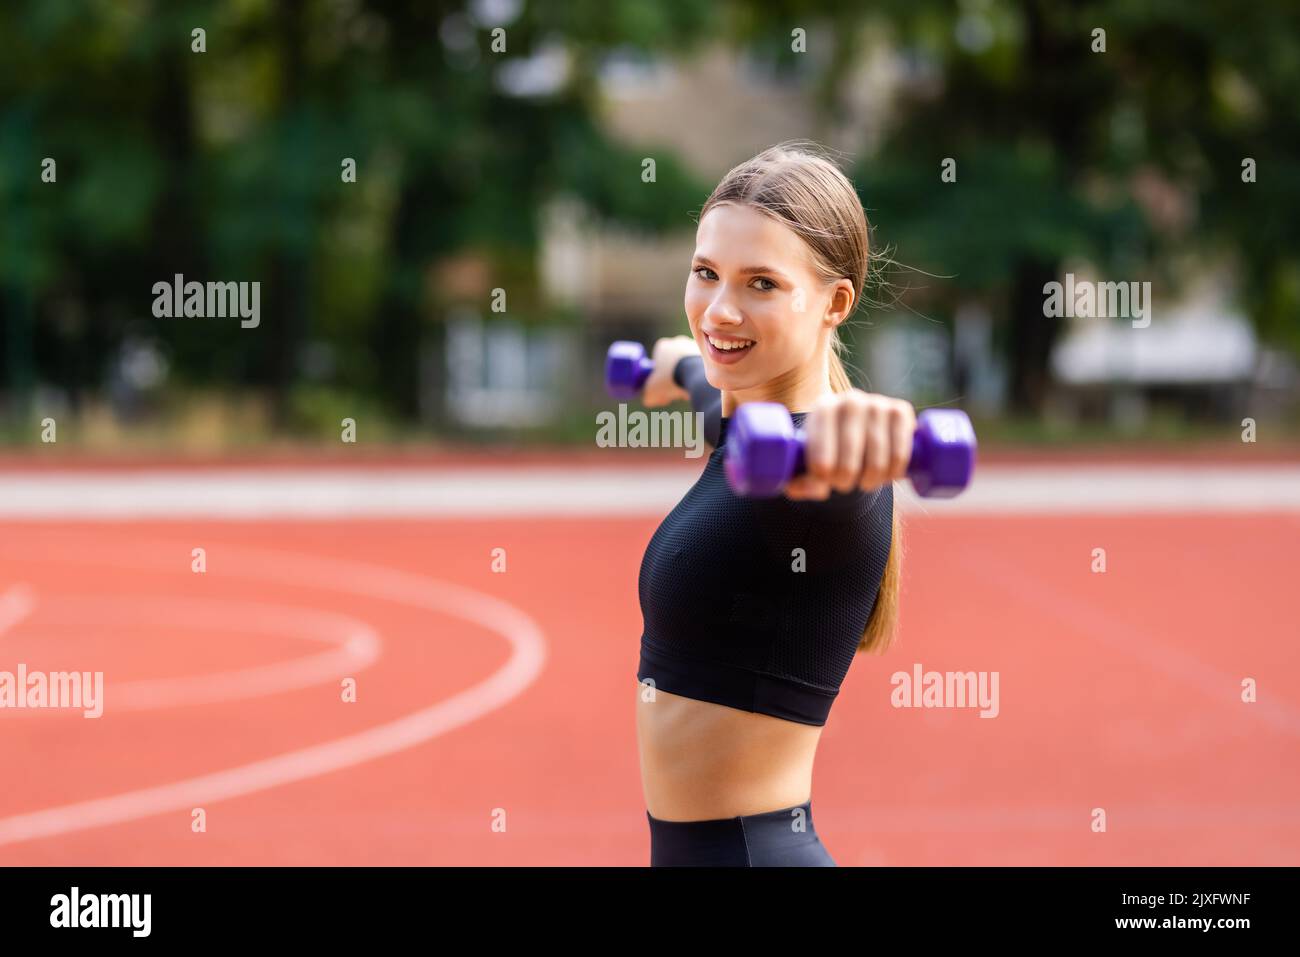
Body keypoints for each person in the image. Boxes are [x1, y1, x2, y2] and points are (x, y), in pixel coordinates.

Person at [635, 141, 911, 866]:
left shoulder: (814, 478)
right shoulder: (746, 425)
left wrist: (862, 437)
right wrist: (675, 366)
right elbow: (711, 391)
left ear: (834, 302)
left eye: (761, 283)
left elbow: (826, 471)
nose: (719, 309)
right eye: (705, 274)